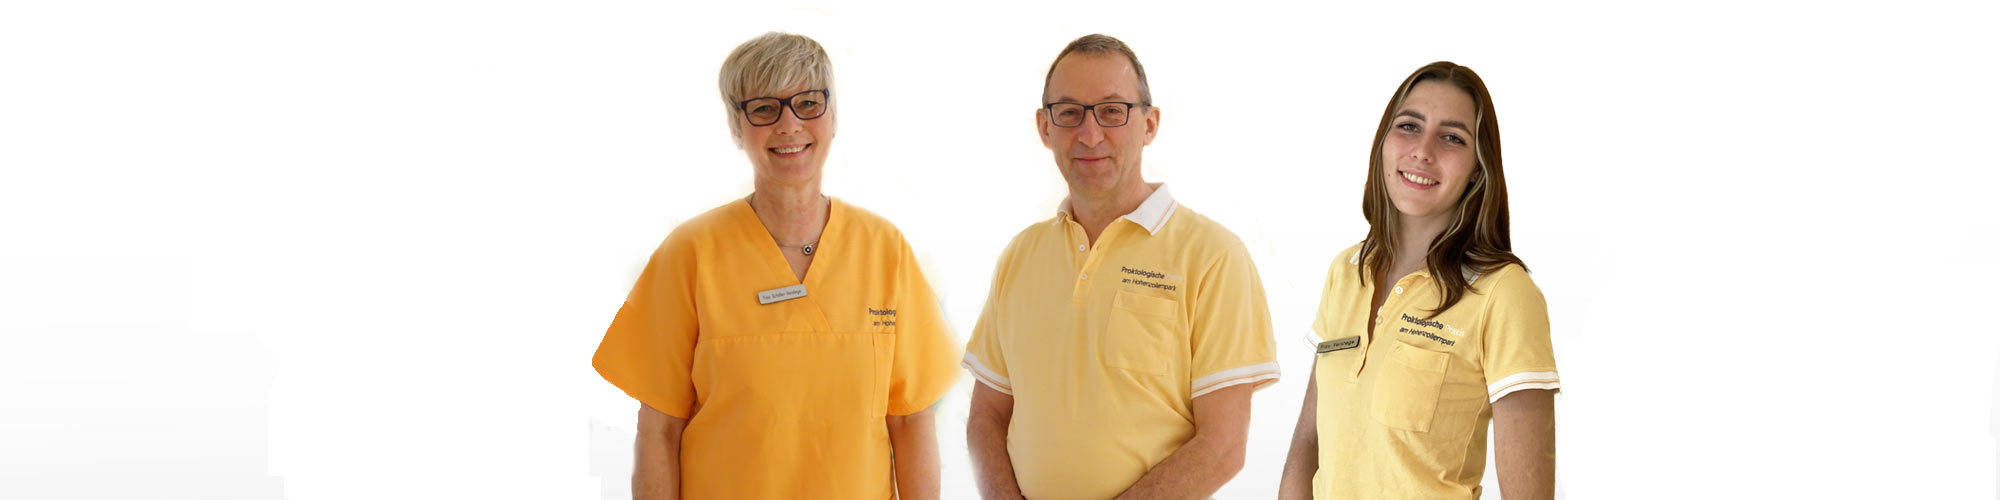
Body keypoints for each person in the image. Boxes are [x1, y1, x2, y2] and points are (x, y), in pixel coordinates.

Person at [591, 32, 960, 500]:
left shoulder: (884, 250)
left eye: (808, 103)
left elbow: (910, 421)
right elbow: (659, 430)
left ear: (833, 116)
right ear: (735, 127)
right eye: (764, 108)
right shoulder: (690, 254)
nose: (789, 125)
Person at [961, 34, 1280, 500]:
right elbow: (986, 417)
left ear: (1149, 124)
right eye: (1069, 112)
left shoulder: (1213, 256)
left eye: (1112, 111)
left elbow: (1223, 446)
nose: (1090, 135)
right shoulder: (1020, 256)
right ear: (1044, 127)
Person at [1276, 61, 1559, 500]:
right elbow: (1309, 442)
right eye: (1409, 126)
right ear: (1383, 143)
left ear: (1478, 168)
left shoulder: (1504, 293)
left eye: (1452, 137)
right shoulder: (1347, 271)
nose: (1423, 151)